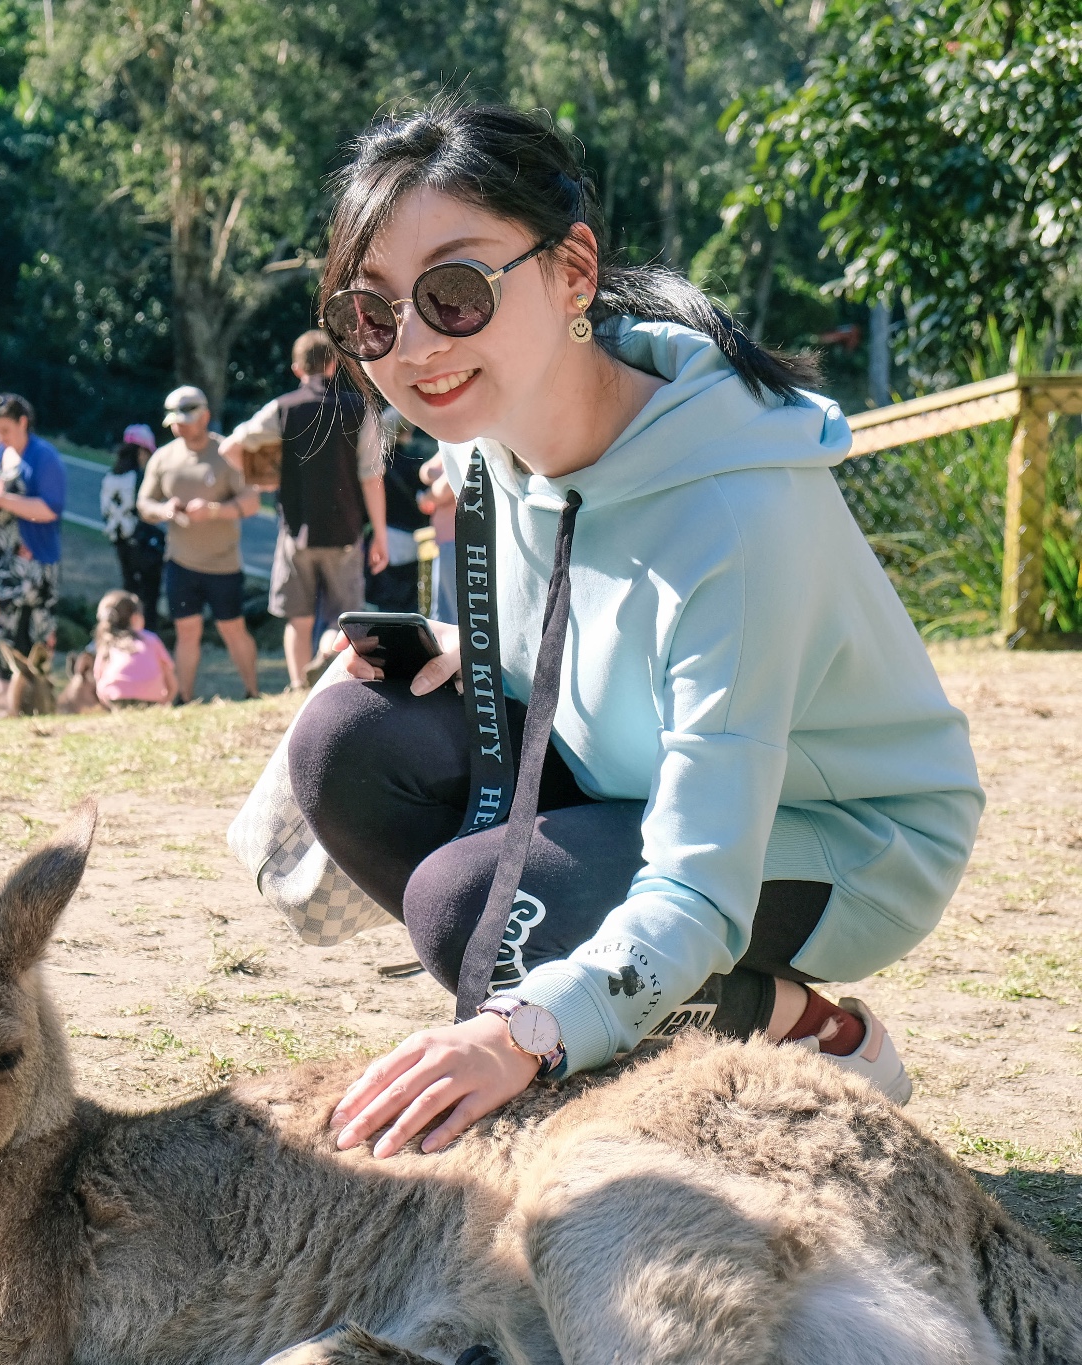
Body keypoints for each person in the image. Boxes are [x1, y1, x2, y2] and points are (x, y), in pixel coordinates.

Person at [286, 101, 981, 1159]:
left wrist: (515, 1037)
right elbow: (587, 610)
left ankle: (805, 1026)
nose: (415, 348)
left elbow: (699, 881)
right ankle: (618, 1000)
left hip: (834, 838)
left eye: (455, 292)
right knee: (349, 743)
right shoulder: (485, 436)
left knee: (467, 905)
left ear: (571, 271)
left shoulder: (732, 518)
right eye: (372, 316)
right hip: (631, 774)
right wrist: (466, 647)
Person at [223, 331, 390, 690]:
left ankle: (298, 684)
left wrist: (261, 479)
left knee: (297, 619)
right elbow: (371, 475)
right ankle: (327, 667)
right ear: (334, 363)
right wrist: (380, 532)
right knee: (341, 617)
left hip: (295, 530)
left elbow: (230, 448)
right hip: (344, 532)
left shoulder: (283, 407)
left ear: (298, 368)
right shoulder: (359, 408)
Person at [137, 385, 260, 703]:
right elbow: (144, 504)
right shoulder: (163, 457)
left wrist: (215, 511)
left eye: (186, 418)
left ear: (204, 417)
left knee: (232, 629)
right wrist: (165, 510)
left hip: (223, 563)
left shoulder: (226, 453)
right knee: (186, 632)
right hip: (181, 562)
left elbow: (251, 503)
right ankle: (183, 698)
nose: (179, 426)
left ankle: (252, 691)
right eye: (174, 421)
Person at [0, 393, 67, 697]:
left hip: (32, 559)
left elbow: (50, 508)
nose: (0, 437)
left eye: (6, 430)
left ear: (23, 423)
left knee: (28, 628)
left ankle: (28, 696)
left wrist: (4, 500)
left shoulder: (44, 457)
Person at [99, 424, 167, 632]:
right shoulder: (139, 478)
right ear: (140, 451)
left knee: (130, 591)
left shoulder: (110, 477)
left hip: (121, 545)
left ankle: (128, 632)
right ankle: (148, 636)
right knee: (149, 596)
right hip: (144, 545)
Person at [367, 410, 435, 613]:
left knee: (388, 597)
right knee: (411, 597)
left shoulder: (377, 465)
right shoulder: (416, 461)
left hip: (388, 534)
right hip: (415, 536)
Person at [90, 589, 176, 707]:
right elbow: (169, 673)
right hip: (152, 699)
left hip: (116, 698)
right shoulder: (151, 639)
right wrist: (166, 700)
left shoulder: (109, 642)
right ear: (135, 618)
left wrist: (105, 702)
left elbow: (98, 675)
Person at [417, 449, 457, 622]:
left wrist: (426, 498)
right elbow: (425, 470)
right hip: (443, 545)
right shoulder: (450, 442)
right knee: (439, 613)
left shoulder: (472, 441)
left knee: (454, 616)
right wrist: (442, 473)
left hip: (457, 545)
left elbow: (443, 490)